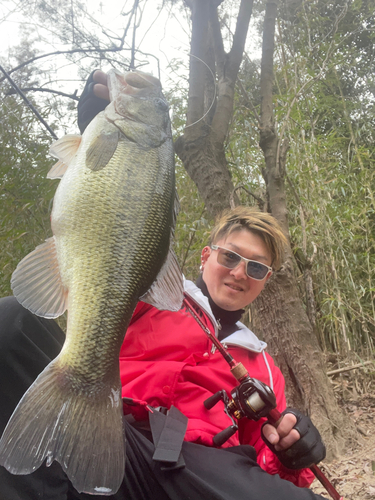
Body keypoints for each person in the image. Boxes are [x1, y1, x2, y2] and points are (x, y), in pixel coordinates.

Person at [0, 70, 327, 500]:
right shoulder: (154, 293)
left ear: (266, 281)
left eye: (257, 268)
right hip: (116, 438)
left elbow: (262, 465)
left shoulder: (266, 371)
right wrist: (94, 138)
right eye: (230, 256)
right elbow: (111, 237)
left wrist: (293, 456)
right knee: (10, 323)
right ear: (207, 256)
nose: (239, 272)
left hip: (199, 475)